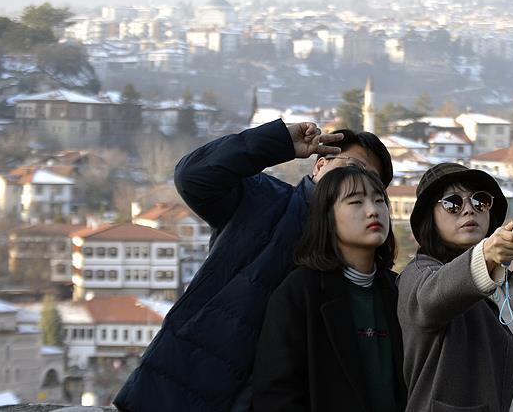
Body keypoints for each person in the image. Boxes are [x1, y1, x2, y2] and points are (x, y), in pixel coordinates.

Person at [114, 119, 393, 412]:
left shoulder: (362, 269)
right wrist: (279, 141)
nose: (358, 184)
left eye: (373, 184)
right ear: (320, 165)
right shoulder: (263, 200)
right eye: (353, 167)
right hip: (188, 385)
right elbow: (193, 176)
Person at [397, 162, 513, 412]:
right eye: (452, 203)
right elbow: (431, 300)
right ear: (430, 217)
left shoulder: (506, 283)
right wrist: (485, 256)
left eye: (480, 201)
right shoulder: (418, 274)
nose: (468, 210)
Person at [252, 165, 405, 411]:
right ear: (328, 217)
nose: (373, 211)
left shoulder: (399, 289)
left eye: (379, 201)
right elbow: (276, 391)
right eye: (356, 202)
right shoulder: (300, 291)